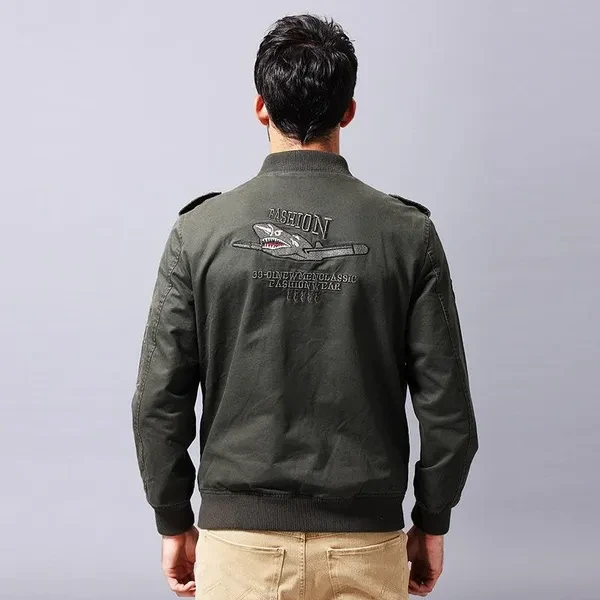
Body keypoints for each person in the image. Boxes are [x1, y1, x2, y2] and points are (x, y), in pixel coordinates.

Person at [131, 13, 479, 599]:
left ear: (260, 107)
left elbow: (157, 403)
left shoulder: (199, 232)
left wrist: (173, 520)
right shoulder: (407, 233)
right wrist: (432, 520)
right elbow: (448, 410)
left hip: (238, 548)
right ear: (349, 111)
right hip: (367, 545)